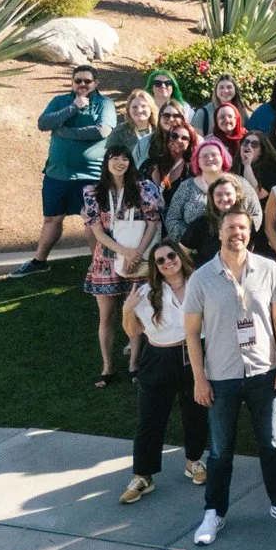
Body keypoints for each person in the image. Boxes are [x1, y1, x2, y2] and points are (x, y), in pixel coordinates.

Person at [182, 209, 276, 546]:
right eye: (230, 227)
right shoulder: (202, 278)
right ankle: (214, 513)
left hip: (264, 372)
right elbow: (191, 333)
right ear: (219, 232)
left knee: (272, 444)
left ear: (250, 233)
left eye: (243, 227)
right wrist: (199, 378)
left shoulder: (268, 270)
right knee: (220, 451)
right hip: (221, 376)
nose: (237, 232)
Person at [120, 243, 207, 503]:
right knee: (150, 418)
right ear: (156, 267)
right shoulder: (147, 292)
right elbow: (133, 331)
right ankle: (143, 476)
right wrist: (126, 309)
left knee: (196, 411)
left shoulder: (199, 283)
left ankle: (194, 461)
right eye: (160, 260)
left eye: (171, 255)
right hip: (159, 357)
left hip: (195, 354)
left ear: (180, 257)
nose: (168, 261)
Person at [82, 144, 160, 389]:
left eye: (125, 158)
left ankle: (134, 364)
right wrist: (125, 252)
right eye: (115, 158)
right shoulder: (93, 192)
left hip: (137, 257)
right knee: (107, 316)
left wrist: (136, 253)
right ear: (106, 161)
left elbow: (152, 223)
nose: (120, 162)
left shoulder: (144, 188)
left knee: (134, 312)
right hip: (106, 259)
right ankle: (107, 367)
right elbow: (97, 232)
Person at [23, 65, 113, 275]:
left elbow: (103, 130)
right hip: (57, 173)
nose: (82, 84)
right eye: (78, 81)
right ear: (72, 83)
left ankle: (98, 266)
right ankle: (39, 262)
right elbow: (43, 123)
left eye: (87, 81)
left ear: (95, 84)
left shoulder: (104, 103)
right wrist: (73, 107)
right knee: (52, 218)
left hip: (91, 175)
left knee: (92, 222)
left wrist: (65, 132)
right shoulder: (60, 101)